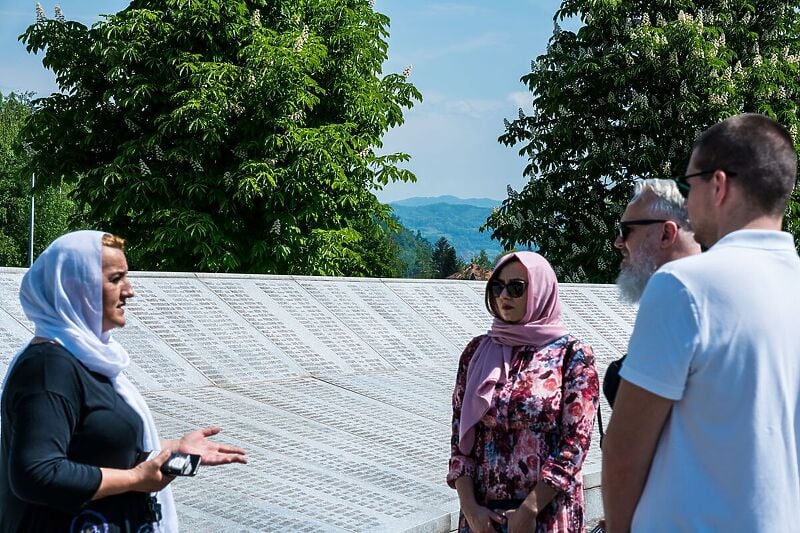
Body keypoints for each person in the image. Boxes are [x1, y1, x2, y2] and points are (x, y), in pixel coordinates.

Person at [602, 113, 800, 531]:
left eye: (690, 185)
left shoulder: (683, 285)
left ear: (719, 185)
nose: (688, 203)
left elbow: (623, 455)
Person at [0, 230, 248, 532]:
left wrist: (172, 448)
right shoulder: (48, 369)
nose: (129, 291)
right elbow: (37, 473)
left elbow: (93, 444)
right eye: (115, 279)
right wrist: (136, 480)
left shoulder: (88, 359)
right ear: (77, 288)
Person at [447, 251, 599, 533]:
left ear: (541, 290)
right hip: (483, 519)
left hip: (546, 516)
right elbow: (460, 441)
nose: (505, 295)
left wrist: (530, 509)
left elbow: (575, 444)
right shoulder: (477, 352)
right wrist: (471, 511)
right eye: (497, 286)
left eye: (517, 287)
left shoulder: (572, 356)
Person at [603, 178, 701, 406]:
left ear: (666, 233)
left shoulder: (682, 303)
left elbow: (627, 439)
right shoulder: (707, 297)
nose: (618, 242)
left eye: (626, 230)